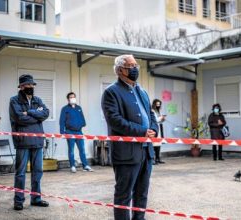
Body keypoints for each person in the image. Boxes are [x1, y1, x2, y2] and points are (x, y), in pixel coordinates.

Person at [101, 54, 158, 220]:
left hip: (146, 152)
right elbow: (115, 120)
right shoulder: (111, 92)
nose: (135, 69)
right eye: (131, 66)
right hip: (126, 153)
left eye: (136, 66)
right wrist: (141, 131)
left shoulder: (142, 91)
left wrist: (153, 129)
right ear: (120, 70)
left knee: (142, 193)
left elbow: (151, 114)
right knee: (123, 195)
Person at [9, 74, 50, 211]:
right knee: (20, 173)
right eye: (27, 85)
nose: (30, 87)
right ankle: (18, 201)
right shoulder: (14, 101)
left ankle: (36, 198)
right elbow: (20, 119)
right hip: (23, 142)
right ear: (21, 86)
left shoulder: (38, 100)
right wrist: (36, 116)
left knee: (37, 172)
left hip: (37, 141)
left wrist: (29, 112)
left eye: (32, 85)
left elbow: (45, 114)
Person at [59, 92, 93, 173]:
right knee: (71, 150)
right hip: (69, 132)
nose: (72, 98)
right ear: (68, 99)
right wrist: (62, 132)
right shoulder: (65, 109)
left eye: (74, 97)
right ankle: (72, 166)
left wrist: (82, 124)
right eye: (71, 97)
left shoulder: (79, 108)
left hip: (79, 132)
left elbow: (82, 118)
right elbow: (62, 121)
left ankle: (85, 166)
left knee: (82, 149)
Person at [151, 99, 166, 165]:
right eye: (157, 104)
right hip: (154, 128)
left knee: (159, 143)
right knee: (154, 144)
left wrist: (163, 119)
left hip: (159, 127)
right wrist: (161, 118)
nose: (158, 105)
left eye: (159, 104)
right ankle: (153, 159)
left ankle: (158, 158)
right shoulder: (152, 111)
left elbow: (159, 120)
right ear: (154, 104)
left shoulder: (159, 111)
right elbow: (154, 119)